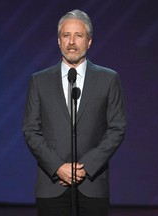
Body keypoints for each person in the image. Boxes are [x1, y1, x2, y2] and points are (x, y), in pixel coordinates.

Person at [22, 9, 126, 216]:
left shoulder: (108, 79)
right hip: (52, 185)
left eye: (78, 35)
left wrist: (85, 167)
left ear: (89, 41)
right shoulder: (39, 81)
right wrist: (58, 167)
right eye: (66, 35)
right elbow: (31, 130)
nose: (71, 42)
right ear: (58, 41)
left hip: (92, 184)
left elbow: (117, 128)